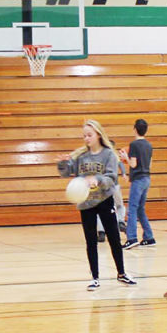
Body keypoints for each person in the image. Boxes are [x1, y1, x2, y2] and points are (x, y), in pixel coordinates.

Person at [61, 120, 135, 289]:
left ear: (98, 135)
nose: (86, 138)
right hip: (86, 203)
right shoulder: (80, 155)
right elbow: (66, 173)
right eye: (84, 136)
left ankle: (122, 273)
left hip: (104, 200)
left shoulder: (108, 154)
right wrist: (63, 163)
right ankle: (95, 277)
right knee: (91, 241)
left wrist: (97, 180)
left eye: (89, 135)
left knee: (114, 238)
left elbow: (112, 178)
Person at [124, 118, 156, 247]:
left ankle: (131, 238)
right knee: (140, 209)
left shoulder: (134, 145)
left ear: (135, 129)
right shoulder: (149, 145)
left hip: (138, 179)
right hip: (147, 178)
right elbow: (150, 164)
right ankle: (149, 237)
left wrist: (125, 157)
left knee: (132, 208)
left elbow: (133, 163)